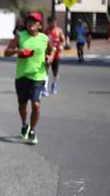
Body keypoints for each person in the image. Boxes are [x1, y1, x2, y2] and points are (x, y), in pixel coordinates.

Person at [4, 12, 55, 145]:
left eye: (34, 22)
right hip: (22, 76)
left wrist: (50, 58)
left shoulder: (44, 38)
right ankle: (24, 124)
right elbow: (6, 52)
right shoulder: (20, 36)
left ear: (39, 25)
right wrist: (17, 51)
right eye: (29, 21)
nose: (30, 24)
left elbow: (52, 50)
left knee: (36, 104)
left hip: (38, 76)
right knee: (22, 105)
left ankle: (32, 130)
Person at [44, 16, 65, 95]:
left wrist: (61, 46)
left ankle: (54, 84)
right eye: (51, 22)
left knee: (55, 72)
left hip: (56, 54)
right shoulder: (46, 31)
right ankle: (45, 88)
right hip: (48, 54)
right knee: (45, 71)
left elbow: (63, 40)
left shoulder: (59, 31)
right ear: (48, 23)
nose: (53, 24)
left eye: (54, 22)